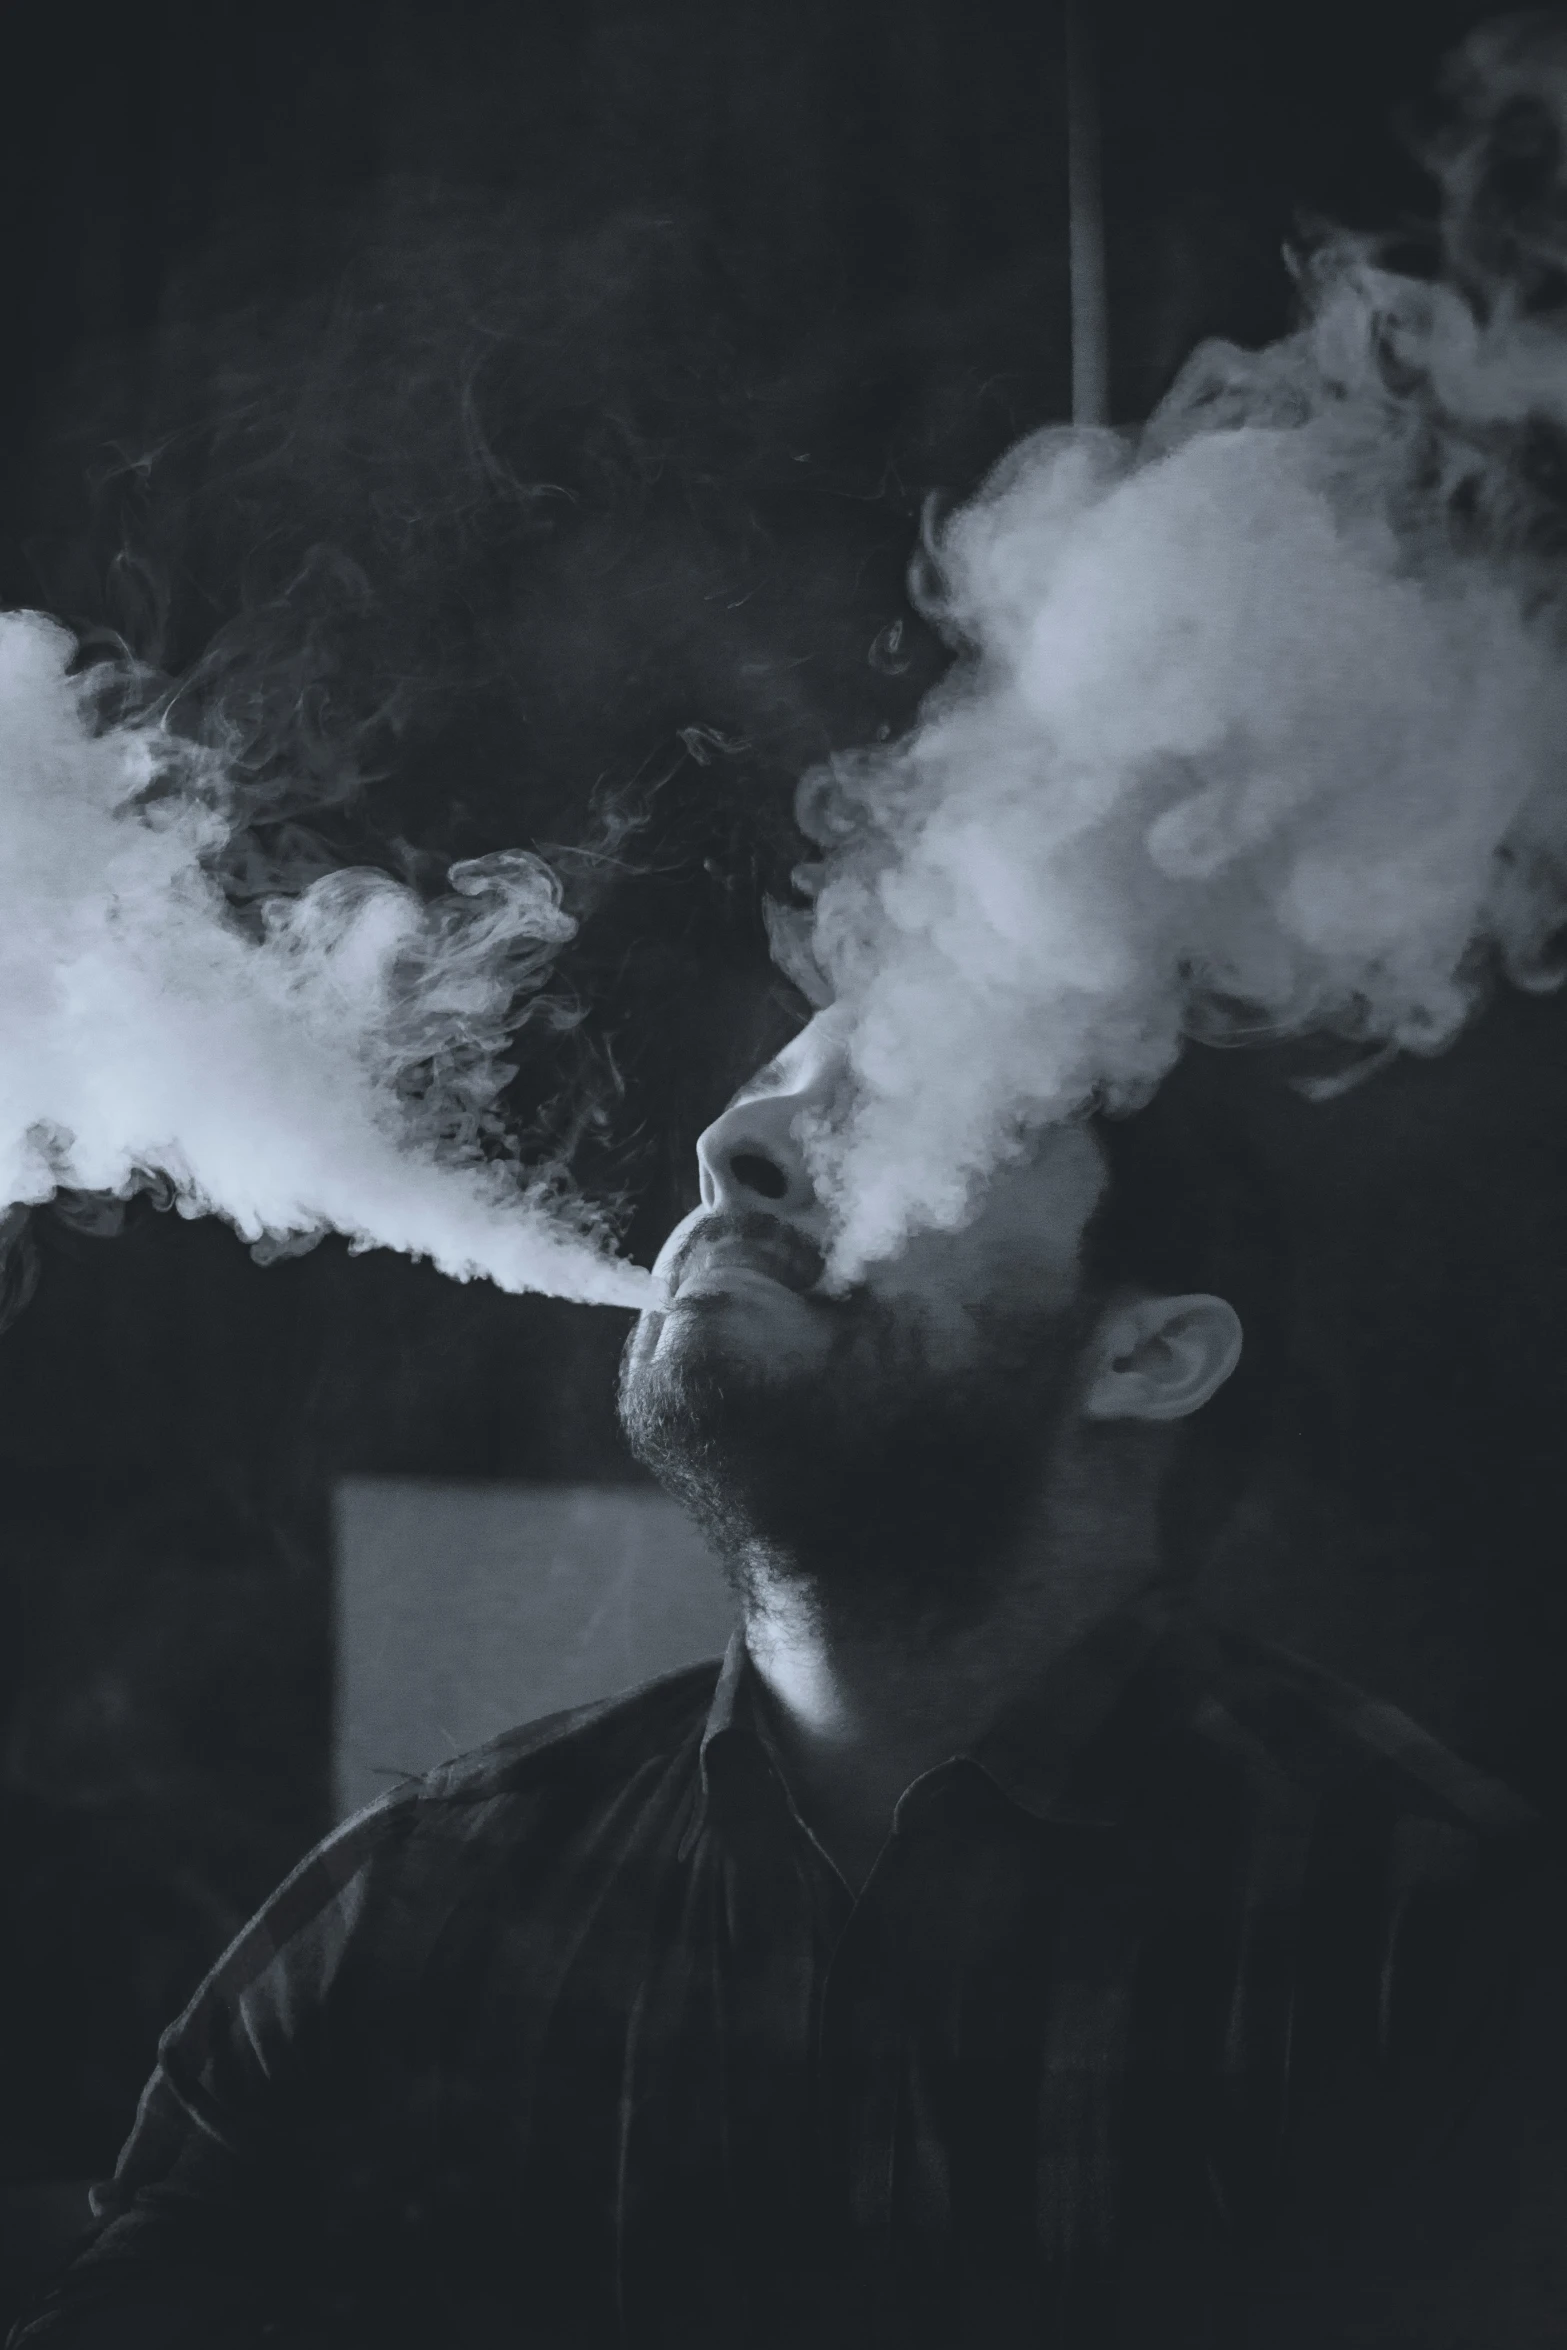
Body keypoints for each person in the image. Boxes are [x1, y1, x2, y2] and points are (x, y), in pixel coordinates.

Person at [13, 1009, 1566, 2349]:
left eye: (924, 1088)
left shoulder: (1427, 1934)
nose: (731, 1139)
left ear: (1145, 1355)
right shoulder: (420, 1891)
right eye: (766, 1081)